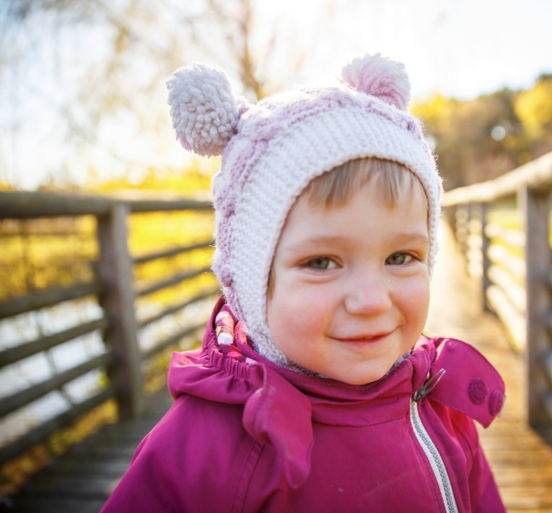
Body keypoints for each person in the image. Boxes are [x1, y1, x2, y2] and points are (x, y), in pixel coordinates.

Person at [101, 54, 506, 513]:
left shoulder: (441, 399)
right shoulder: (202, 453)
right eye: (322, 262)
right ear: (255, 285)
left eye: (400, 257)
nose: (372, 301)